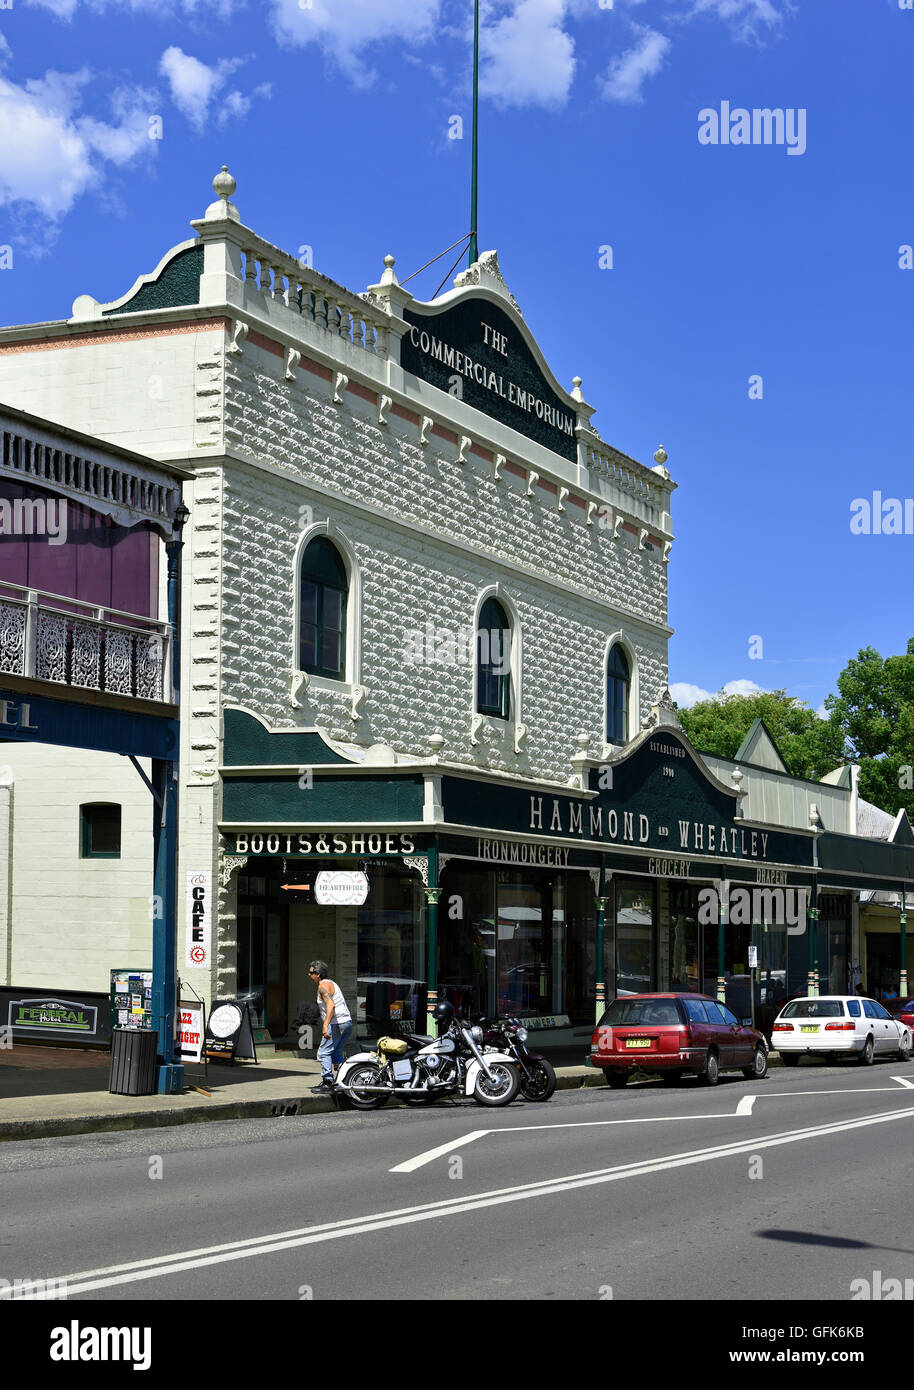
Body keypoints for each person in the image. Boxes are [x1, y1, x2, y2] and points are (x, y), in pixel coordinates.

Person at [309, 960, 352, 1092]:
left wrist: (325, 1025)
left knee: (323, 1053)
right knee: (335, 1053)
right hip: (347, 1023)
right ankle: (347, 1078)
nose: (308, 974)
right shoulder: (332, 983)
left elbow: (331, 1005)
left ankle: (328, 1081)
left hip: (336, 1024)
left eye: (311, 973)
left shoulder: (323, 986)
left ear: (318, 974)